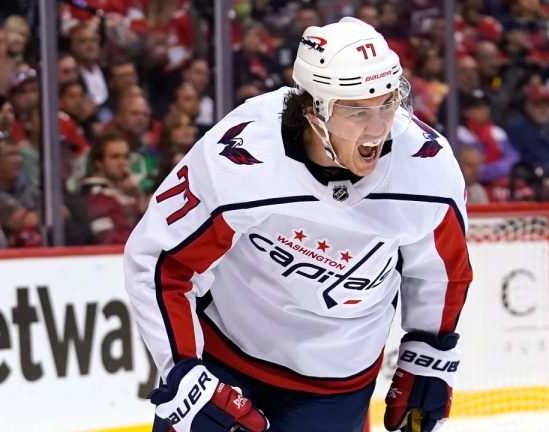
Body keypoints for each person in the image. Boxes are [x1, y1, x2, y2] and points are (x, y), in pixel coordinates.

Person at [124, 17, 472, 432]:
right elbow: (163, 265)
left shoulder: (428, 169)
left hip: (338, 383)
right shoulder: (240, 160)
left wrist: (429, 354)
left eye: (387, 103)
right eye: (357, 111)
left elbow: (440, 273)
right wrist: (184, 373)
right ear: (313, 111)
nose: (379, 130)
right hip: (226, 359)